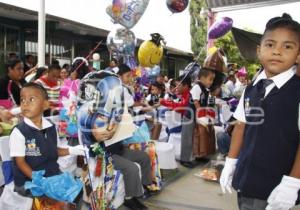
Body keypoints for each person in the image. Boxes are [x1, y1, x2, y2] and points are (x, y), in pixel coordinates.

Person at [220, 13, 300, 210]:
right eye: (270, 44)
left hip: (275, 186)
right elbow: (241, 125)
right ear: (259, 50)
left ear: (298, 54)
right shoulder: (252, 89)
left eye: (287, 46)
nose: (277, 52)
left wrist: (293, 182)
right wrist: (231, 162)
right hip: (245, 178)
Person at [9, 82, 87, 197]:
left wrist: (74, 150)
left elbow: (53, 150)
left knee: (77, 193)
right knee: (60, 199)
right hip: (28, 182)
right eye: (22, 100)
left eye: (31, 99)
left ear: (45, 105)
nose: (25, 104)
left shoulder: (50, 126)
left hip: (51, 175)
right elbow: (20, 163)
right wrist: (40, 180)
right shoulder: (19, 132)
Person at [159, 75, 194, 167]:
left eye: (178, 85)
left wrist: (164, 102)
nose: (176, 88)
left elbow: (180, 107)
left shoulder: (189, 95)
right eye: (176, 85)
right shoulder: (185, 95)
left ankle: (185, 160)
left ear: (186, 86)